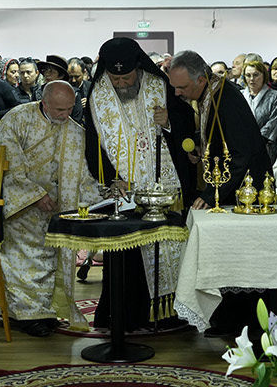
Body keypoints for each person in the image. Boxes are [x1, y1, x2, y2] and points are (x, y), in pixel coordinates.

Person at [83, 37, 195, 330]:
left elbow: (187, 121)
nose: (121, 83)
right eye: (115, 78)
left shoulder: (160, 85)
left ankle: (170, 316)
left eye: (127, 77)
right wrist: (112, 178)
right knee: (127, 254)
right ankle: (127, 317)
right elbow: (92, 145)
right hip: (125, 189)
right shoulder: (97, 96)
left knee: (169, 248)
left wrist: (169, 122)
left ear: (138, 68)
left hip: (164, 188)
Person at [0, 81, 99, 336]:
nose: (66, 115)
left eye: (70, 109)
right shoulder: (18, 118)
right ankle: (24, 315)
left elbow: (82, 175)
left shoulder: (74, 131)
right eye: (60, 109)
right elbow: (8, 161)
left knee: (51, 258)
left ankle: (44, 311)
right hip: (20, 205)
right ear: (44, 103)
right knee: (22, 258)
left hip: (55, 207)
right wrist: (34, 195)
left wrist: (99, 200)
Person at [167, 50, 270, 210]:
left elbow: (242, 153)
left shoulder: (226, 99)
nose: (177, 93)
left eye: (182, 87)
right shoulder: (210, 90)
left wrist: (213, 194)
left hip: (243, 192)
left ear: (201, 80)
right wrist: (200, 146)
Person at [240, 54, 277, 161]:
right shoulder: (240, 95)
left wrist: (257, 139)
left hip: (265, 146)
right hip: (242, 145)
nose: (252, 79)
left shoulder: (275, 96)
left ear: (263, 75)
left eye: (256, 75)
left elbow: (274, 122)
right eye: (248, 75)